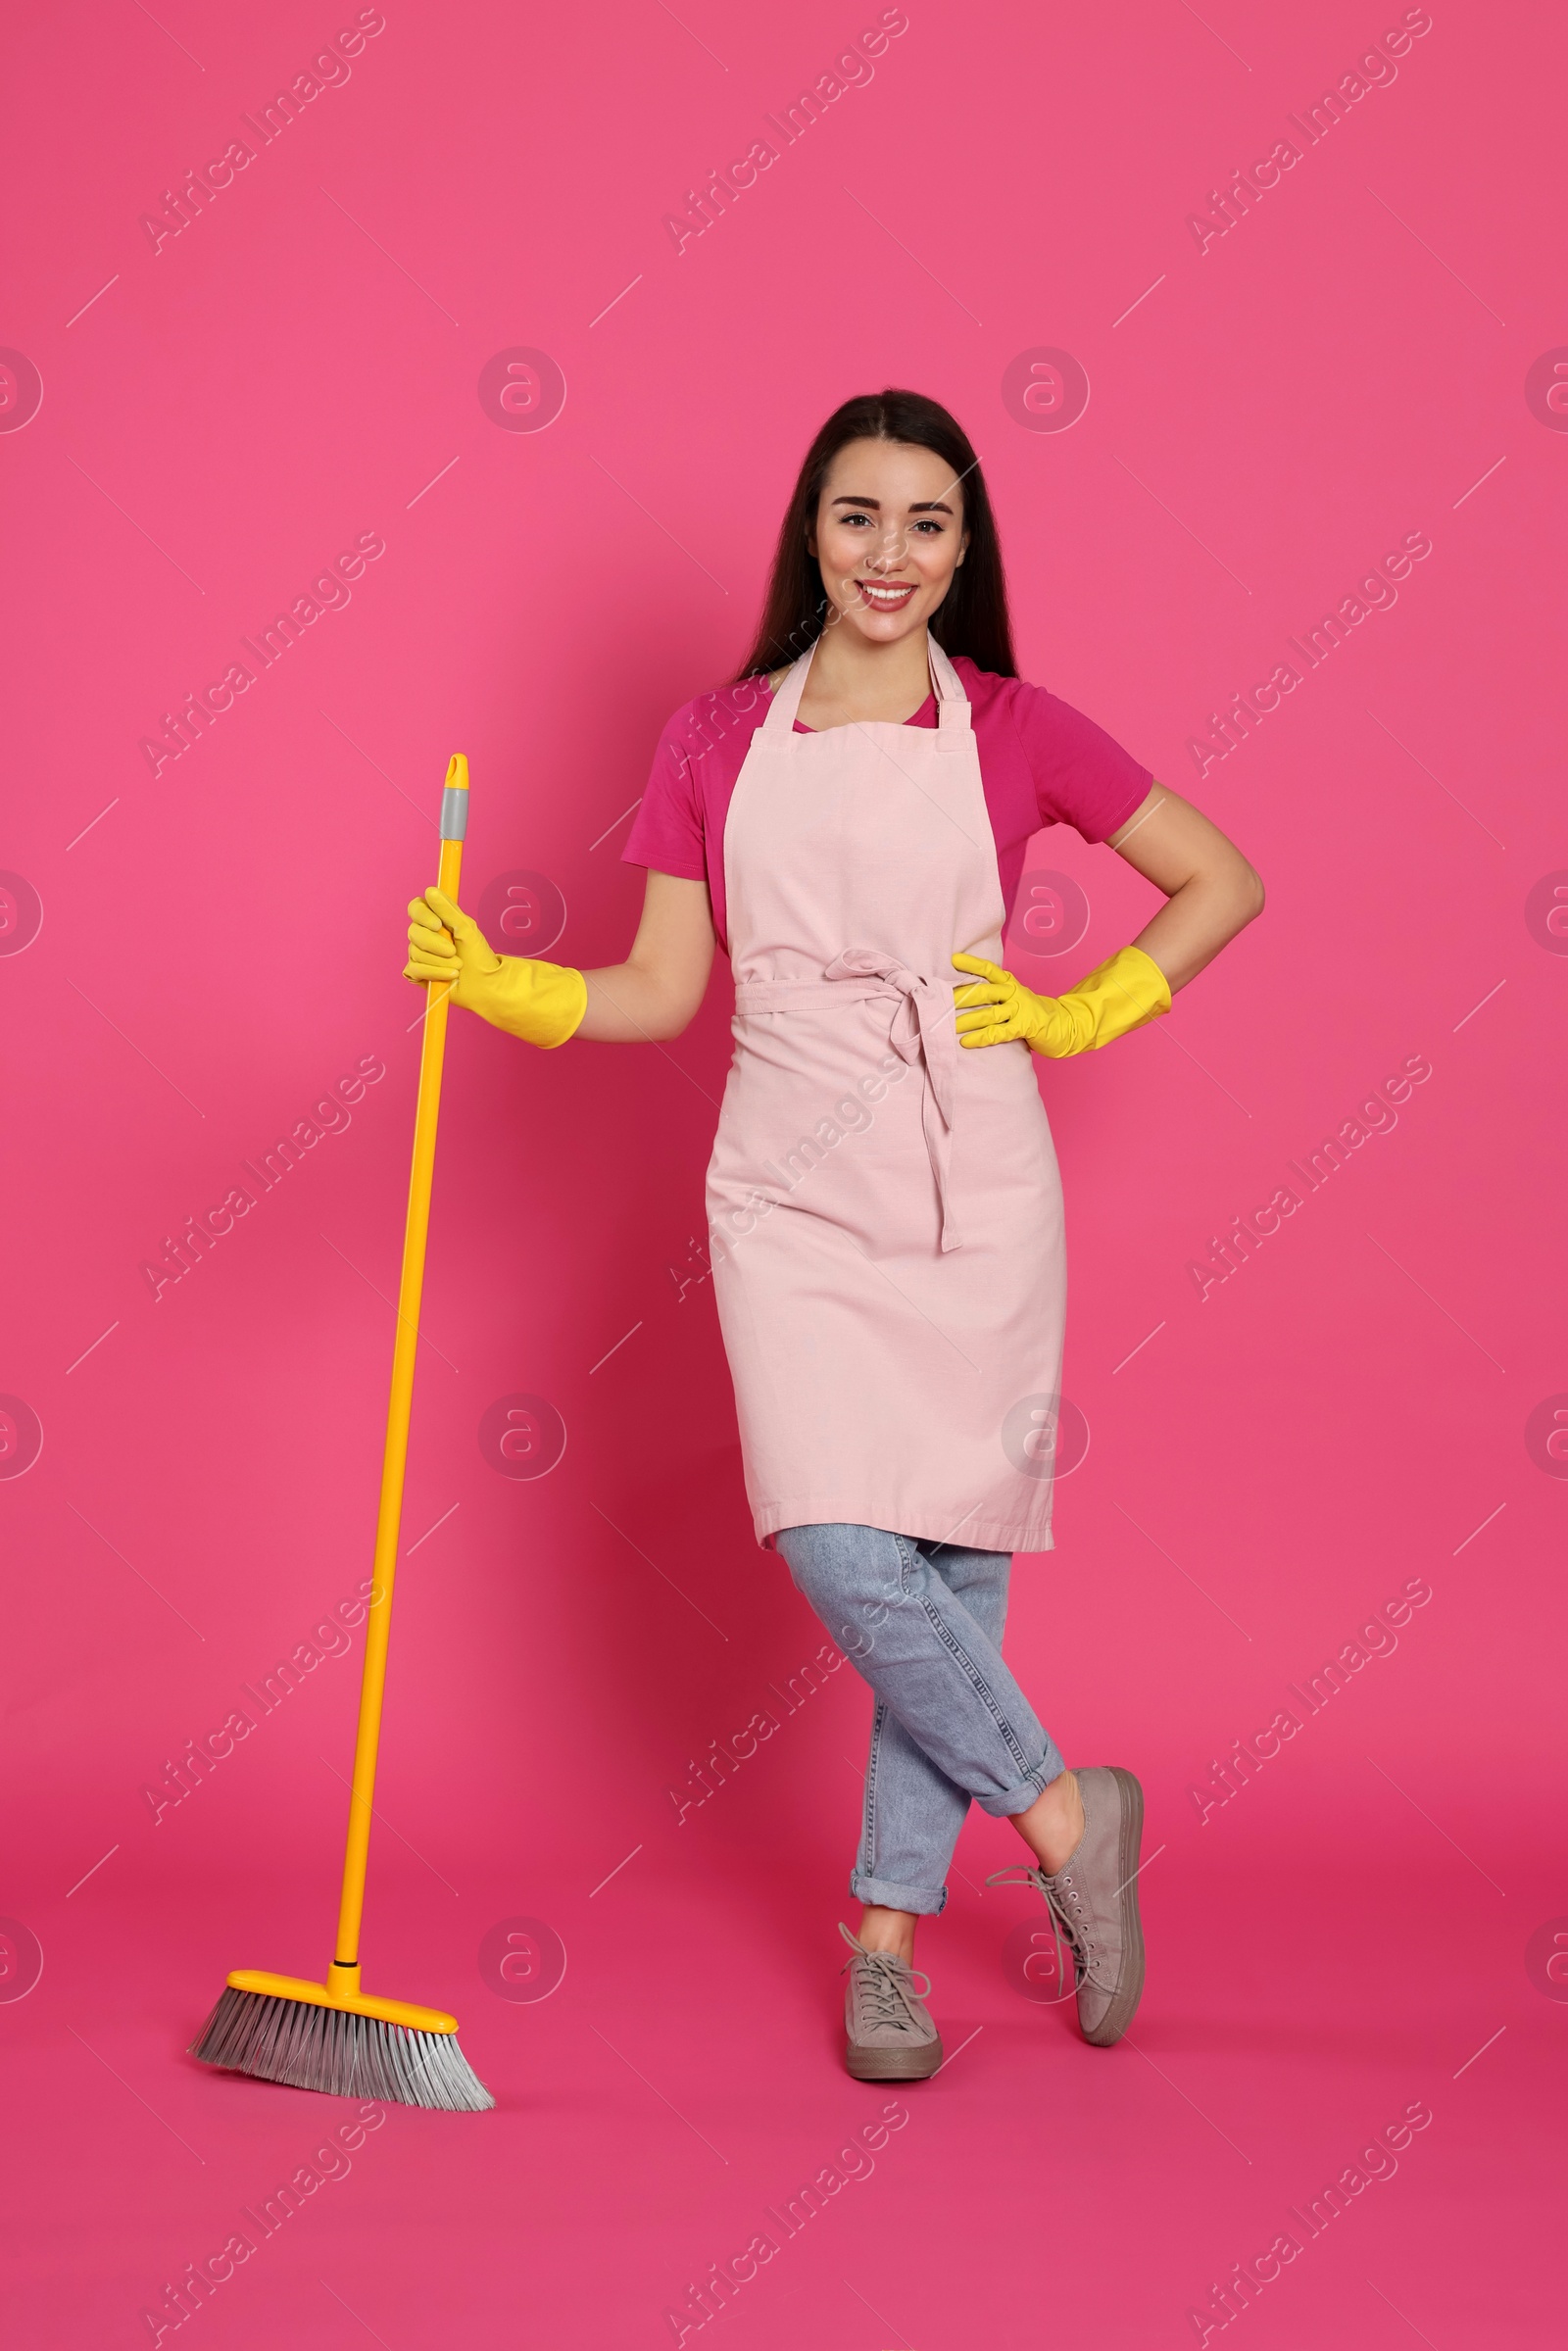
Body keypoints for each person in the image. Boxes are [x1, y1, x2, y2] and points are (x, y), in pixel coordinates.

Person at [404, 389, 1263, 2082]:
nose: (892, 555)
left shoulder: (1017, 725)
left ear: (965, 546)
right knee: (833, 1537)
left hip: (973, 1174)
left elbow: (1221, 878)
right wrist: (505, 986)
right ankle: (1073, 1812)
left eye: (928, 523)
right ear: (813, 528)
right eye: (860, 517)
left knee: (947, 1559)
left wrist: (1084, 1014)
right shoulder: (712, 737)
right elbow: (662, 989)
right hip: (788, 1182)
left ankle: (886, 1941)